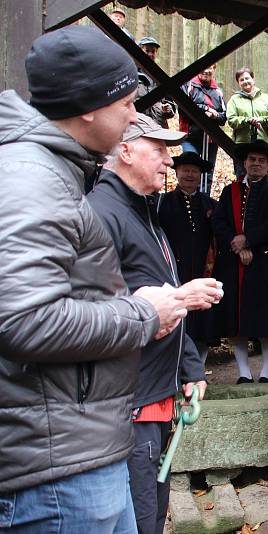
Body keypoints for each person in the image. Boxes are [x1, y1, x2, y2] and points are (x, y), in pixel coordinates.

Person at [0, 25, 187, 531]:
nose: (132, 116)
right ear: (88, 107)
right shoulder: (31, 180)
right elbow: (22, 320)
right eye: (126, 103)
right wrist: (144, 313)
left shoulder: (54, 174)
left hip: (75, 448)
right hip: (54, 468)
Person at [88, 114, 222, 534]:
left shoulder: (145, 212)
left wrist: (189, 369)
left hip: (156, 397)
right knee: (140, 519)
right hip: (126, 405)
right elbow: (90, 312)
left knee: (153, 513)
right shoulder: (101, 214)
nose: (170, 161)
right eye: (159, 149)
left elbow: (163, 299)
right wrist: (180, 297)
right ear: (125, 151)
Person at [212, 140, 268, 384]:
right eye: (252, 159)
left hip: (266, 263)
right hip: (235, 263)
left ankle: (266, 370)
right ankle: (243, 371)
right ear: (244, 163)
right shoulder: (229, 192)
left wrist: (249, 241)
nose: (256, 164)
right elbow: (219, 222)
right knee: (238, 320)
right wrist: (236, 244)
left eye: (261, 160)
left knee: (266, 319)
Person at [159, 151, 219, 364]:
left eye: (194, 171)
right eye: (185, 170)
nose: (190, 175)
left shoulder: (210, 204)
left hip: (203, 269)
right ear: (177, 173)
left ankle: (199, 367)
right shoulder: (162, 203)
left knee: (201, 324)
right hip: (173, 271)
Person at [179, 64, 226, 180]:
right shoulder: (188, 85)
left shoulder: (218, 92)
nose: (206, 70)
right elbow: (183, 109)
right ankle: (186, 197)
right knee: (190, 169)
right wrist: (205, 109)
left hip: (210, 140)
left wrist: (214, 115)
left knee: (207, 174)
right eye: (204, 67)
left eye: (209, 68)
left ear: (214, 69)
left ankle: (204, 197)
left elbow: (223, 118)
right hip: (190, 137)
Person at [227, 67, 268, 177]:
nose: (245, 81)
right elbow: (231, 120)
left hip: (262, 143)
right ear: (238, 83)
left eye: (247, 78)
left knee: (262, 177)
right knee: (241, 176)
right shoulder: (234, 100)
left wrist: (262, 120)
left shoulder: (266, 99)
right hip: (242, 144)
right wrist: (246, 121)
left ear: (253, 79)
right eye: (241, 80)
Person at [136, 37, 175, 128]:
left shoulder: (160, 76)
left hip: (157, 127)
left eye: (153, 51)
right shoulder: (131, 72)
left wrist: (168, 109)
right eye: (147, 50)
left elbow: (171, 104)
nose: (150, 54)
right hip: (137, 128)